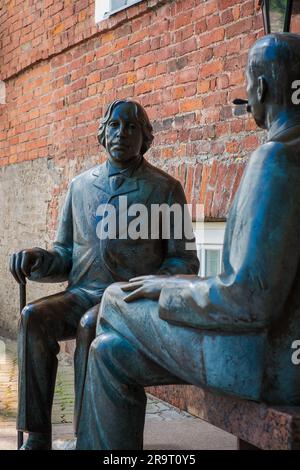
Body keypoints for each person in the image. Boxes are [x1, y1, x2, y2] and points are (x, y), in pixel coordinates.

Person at [76, 33, 300, 450]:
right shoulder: (80, 186)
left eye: (247, 85)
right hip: (278, 349)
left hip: (266, 361)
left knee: (113, 300)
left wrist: (168, 287)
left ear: (263, 88)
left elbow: (248, 298)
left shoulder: (276, 158)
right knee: (108, 351)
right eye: (114, 126)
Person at [9, 99, 199, 450]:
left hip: (128, 302)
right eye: (114, 126)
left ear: (145, 138)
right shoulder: (80, 187)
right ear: (102, 134)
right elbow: (65, 256)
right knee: (33, 317)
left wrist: (145, 287)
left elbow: (184, 261)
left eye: (131, 127)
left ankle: (88, 438)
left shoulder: (165, 189)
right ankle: (36, 436)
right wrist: (38, 260)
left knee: (89, 325)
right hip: (83, 291)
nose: (121, 134)